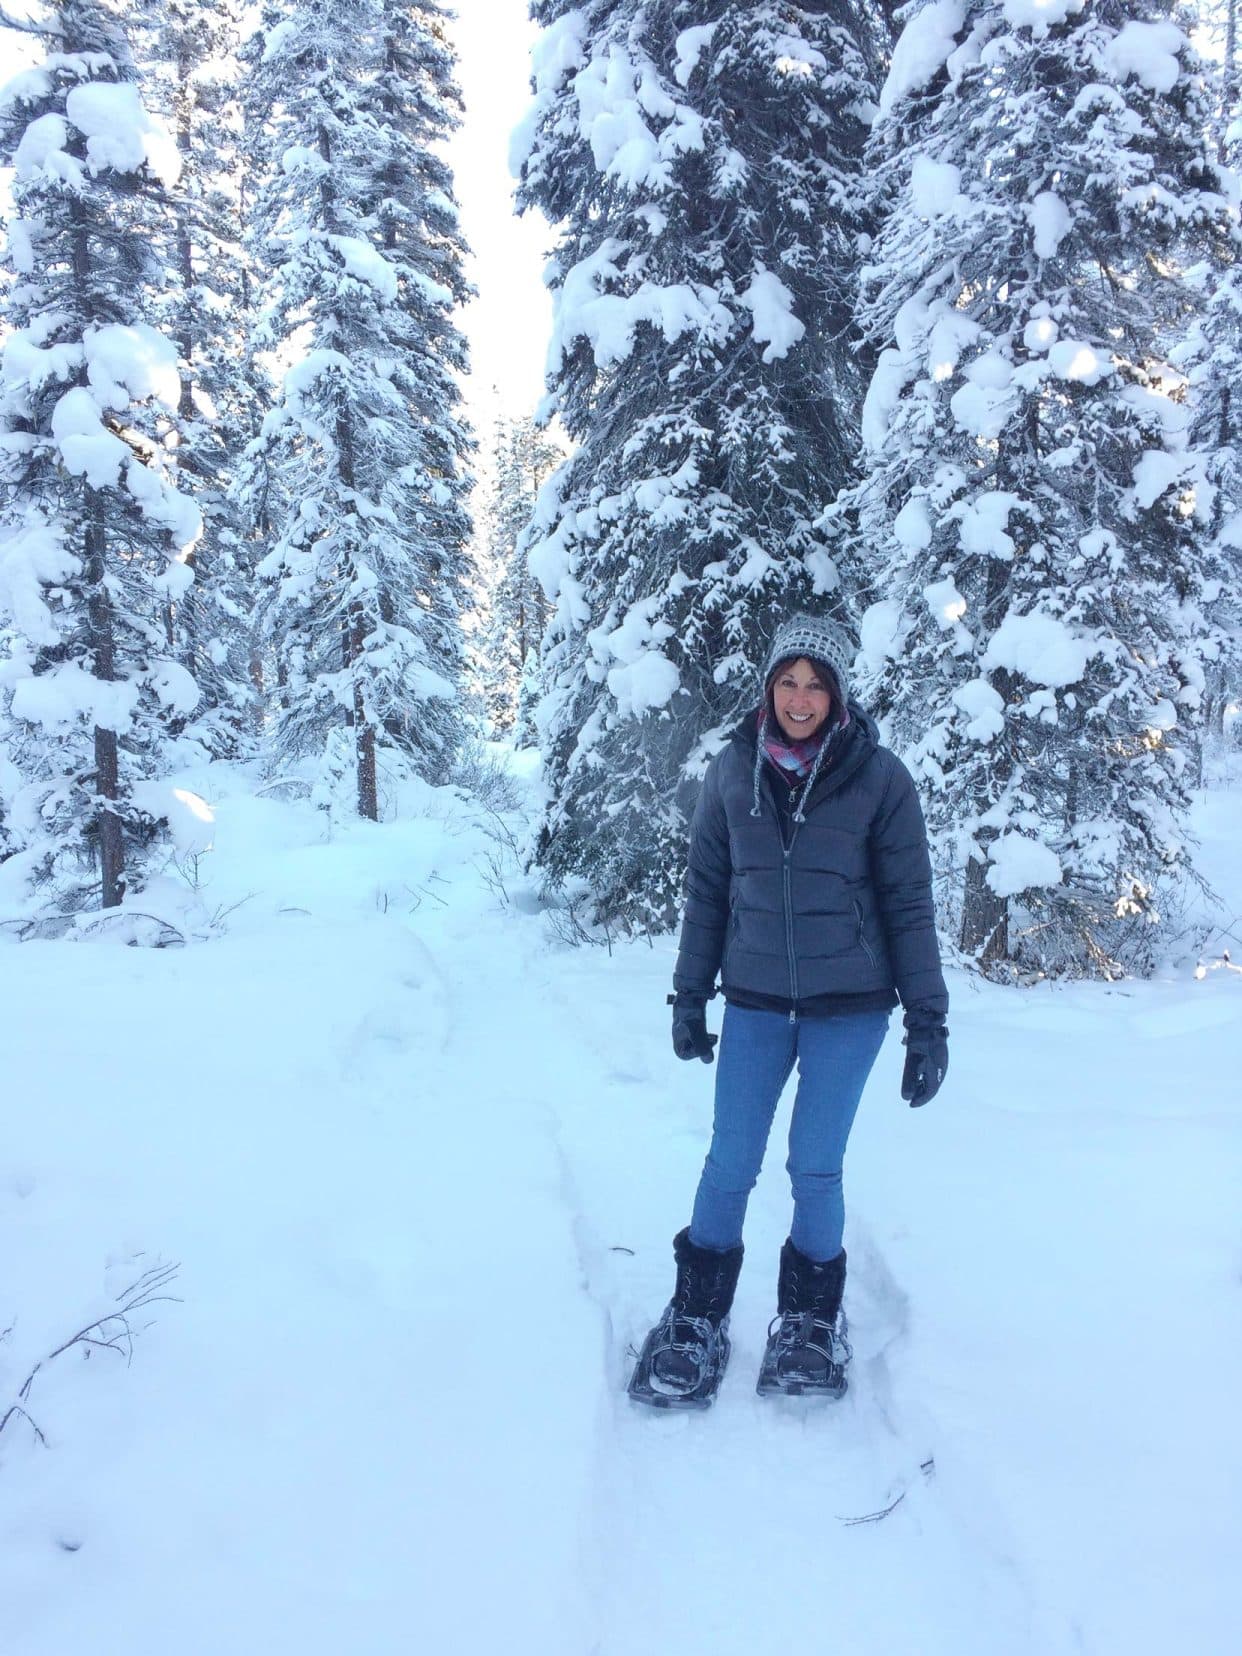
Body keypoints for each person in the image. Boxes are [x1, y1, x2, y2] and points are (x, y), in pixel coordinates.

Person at [628, 613, 949, 1408]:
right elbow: (707, 893)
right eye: (787, 681)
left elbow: (909, 905)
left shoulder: (881, 780)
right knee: (730, 1159)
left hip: (852, 1006)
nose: (800, 698)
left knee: (814, 1163)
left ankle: (809, 1321)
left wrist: (927, 1020)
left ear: (838, 696)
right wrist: (690, 994)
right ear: (768, 686)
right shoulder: (733, 773)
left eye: (816, 684)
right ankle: (696, 1317)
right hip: (759, 1000)